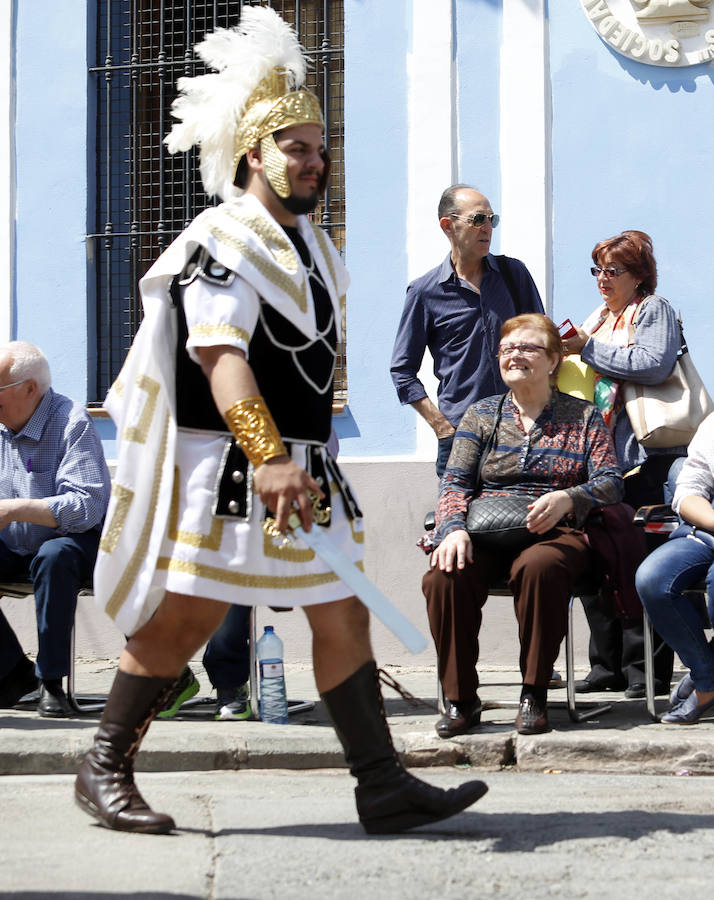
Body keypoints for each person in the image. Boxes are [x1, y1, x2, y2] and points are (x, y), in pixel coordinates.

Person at [74, 8, 486, 836]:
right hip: (228, 466)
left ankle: (380, 784)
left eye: (317, 146)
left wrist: (295, 458)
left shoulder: (314, 247)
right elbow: (218, 354)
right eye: (293, 146)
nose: (311, 159)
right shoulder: (221, 238)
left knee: (343, 612)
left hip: (303, 467)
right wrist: (265, 456)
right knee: (184, 617)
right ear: (253, 155)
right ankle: (102, 765)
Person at [422, 314, 622, 737]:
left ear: (552, 360)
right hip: (486, 530)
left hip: (556, 533)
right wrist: (453, 528)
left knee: (538, 567)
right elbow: (454, 481)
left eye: (527, 347)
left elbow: (611, 482)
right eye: (507, 348)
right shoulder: (481, 414)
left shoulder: (583, 416)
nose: (514, 354)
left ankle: (534, 693)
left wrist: (570, 496)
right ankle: (461, 699)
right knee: (444, 576)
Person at [563, 230, 681, 699]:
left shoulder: (654, 309)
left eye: (613, 271)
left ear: (639, 276)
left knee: (640, 559)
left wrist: (585, 347)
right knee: (599, 556)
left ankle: (643, 671)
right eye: (598, 270)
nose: (602, 280)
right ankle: (605, 665)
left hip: (644, 458)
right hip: (598, 460)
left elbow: (654, 363)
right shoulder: (598, 318)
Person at [390, 184, 544, 477]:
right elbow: (402, 371)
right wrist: (442, 427)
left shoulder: (514, 275)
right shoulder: (425, 292)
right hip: (463, 436)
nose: (487, 228)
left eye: (491, 219)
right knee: (459, 520)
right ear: (448, 225)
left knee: (529, 521)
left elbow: (542, 343)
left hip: (524, 429)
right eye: (478, 219)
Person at [0, 341, 111, 717]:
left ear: (29, 388)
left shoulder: (71, 421)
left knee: (54, 556)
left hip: (74, 546)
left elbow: (87, 506)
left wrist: (17, 509)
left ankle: (52, 682)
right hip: (13, 547)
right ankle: (13, 672)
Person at [636, 413, 714, 724]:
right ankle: (706, 674)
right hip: (705, 530)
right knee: (653, 578)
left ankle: (707, 684)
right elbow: (688, 490)